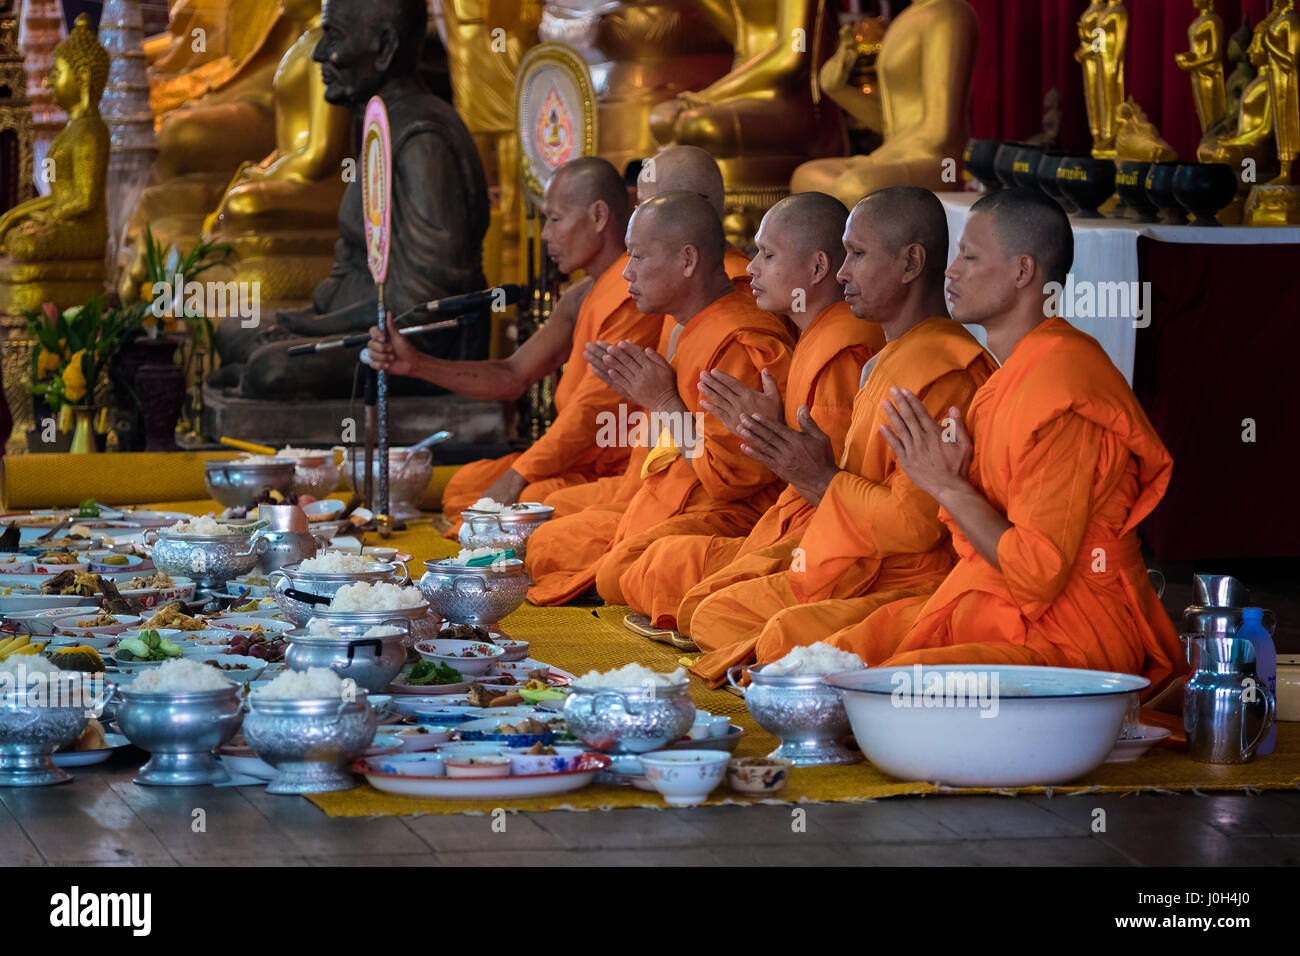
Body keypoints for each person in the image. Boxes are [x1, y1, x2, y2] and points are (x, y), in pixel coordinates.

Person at [823, 188, 1185, 700]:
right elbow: (988, 542)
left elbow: (1037, 575)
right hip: (999, 603)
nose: (950, 273)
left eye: (969, 258)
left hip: (1072, 640)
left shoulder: (1063, 390)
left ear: (1022, 272)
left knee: (887, 688)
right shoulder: (1010, 379)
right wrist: (954, 481)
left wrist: (947, 487)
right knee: (839, 654)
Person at [685, 186, 996, 687]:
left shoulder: (944, 372)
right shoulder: (891, 356)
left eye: (857, 255)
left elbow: (916, 528)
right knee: (711, 612)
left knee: (770, 632)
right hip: (857, 561)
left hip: (914, 578)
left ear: (912, 262)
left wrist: (821, 477)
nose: (843, 272)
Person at [616, 191, 883, 642]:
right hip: (775, 521)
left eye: (767, 254)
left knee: (668, 587)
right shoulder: (812, 337)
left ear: (817, 269)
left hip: (819, 536)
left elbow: (749, 479)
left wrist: (759, 435)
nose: (750, 267)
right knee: (635, 565)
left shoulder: (822, 347)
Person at [525, 190, 796, 606]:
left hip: (726, 517)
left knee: (621, 573)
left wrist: (663, 403)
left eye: (638, 257)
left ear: (687, 260)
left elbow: (733, 478)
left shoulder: (739, 342)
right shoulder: (691, 326)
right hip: (669, 497)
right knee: (548, 541)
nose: (627, 273)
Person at [364, 157, 661, 533]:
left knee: (533, 504)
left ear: (599, 216)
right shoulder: (579, 296)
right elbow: (512, 374)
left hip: (620, 471)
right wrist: (416, 364)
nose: (547, 235)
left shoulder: (637, 295)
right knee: (466, 487)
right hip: (579, 466)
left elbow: (589, 414)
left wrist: (516, 477)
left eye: (555, 219)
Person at [538, 144, 757, 520]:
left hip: (706, 502)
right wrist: (640, 392)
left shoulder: (739, 312)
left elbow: (731, 471)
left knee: (571, 543)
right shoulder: (679, 297)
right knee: (543, 514)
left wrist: (661, 401)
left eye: (653, 208)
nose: (636, 220)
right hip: (657, 482)